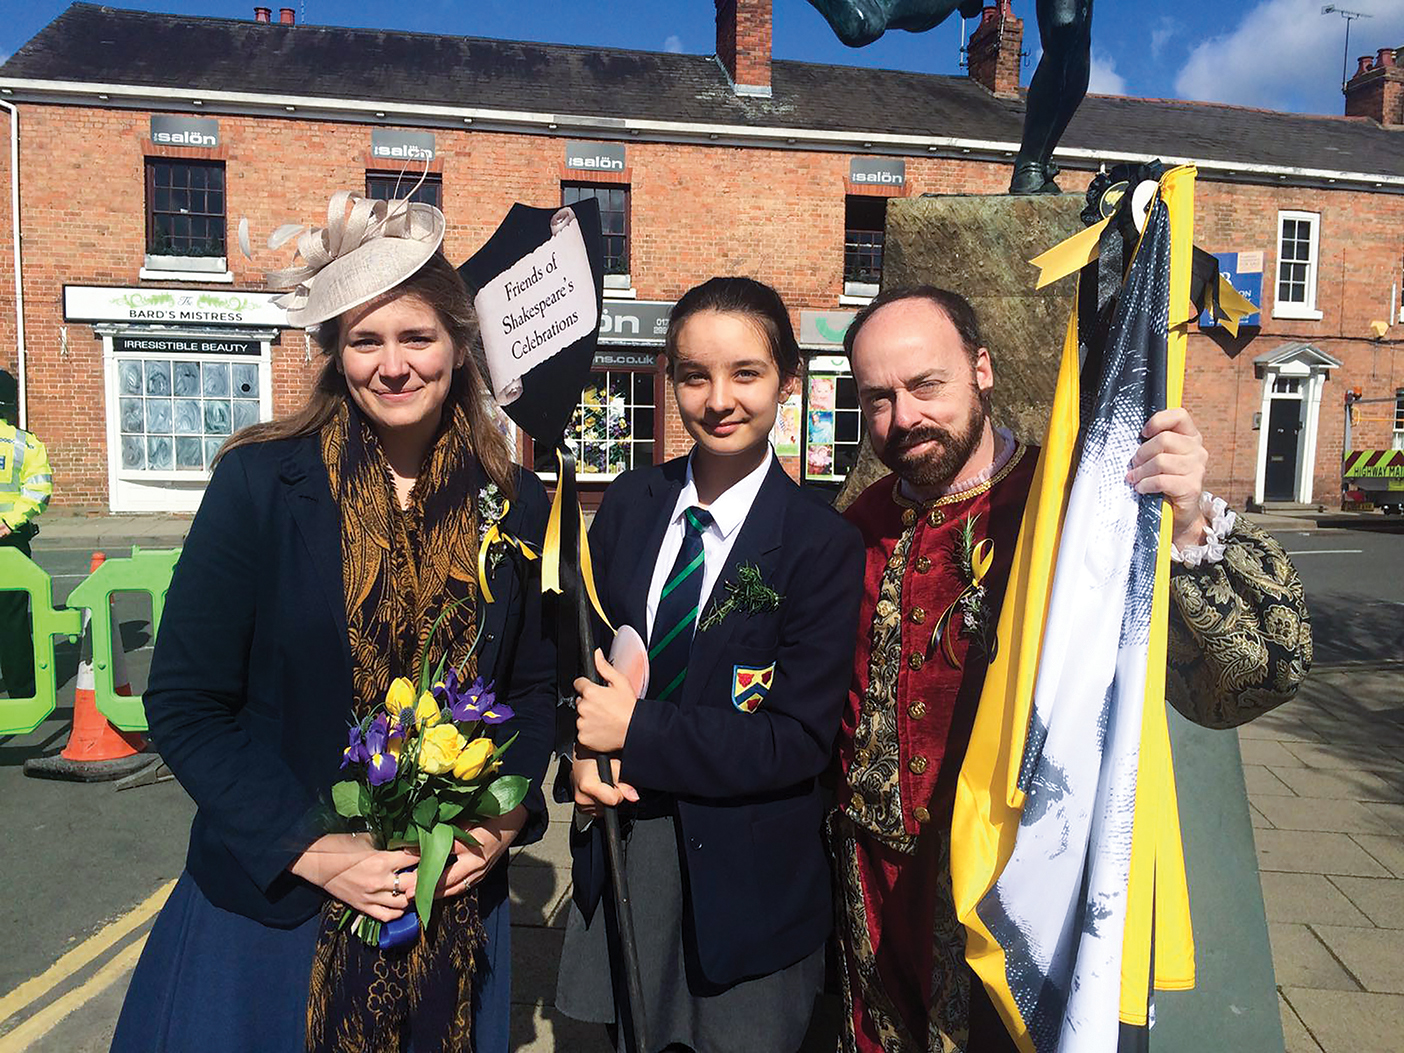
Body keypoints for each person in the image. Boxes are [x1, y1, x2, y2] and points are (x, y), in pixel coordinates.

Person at [111, 191, 556, 1053]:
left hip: (448, 907)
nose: (393, 365)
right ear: (334, 354)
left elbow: (531, 690)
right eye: (365, 340)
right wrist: (310, 847)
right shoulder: (259, 483)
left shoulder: (515, 502)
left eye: (416, 337)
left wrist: (504, 820)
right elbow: (186, 702)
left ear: (459, 345)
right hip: (277, 916)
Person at [831, 285, 1311, 1052]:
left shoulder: (1080, 510)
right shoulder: (856, 528)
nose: (904, 417)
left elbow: (1257, 673)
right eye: (878, 398)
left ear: (981, 368)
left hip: (1018, 900)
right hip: (876, 906)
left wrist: (1185, 519)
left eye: (926, 385)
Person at [555, 277, 866, 1052]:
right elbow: (585, 660)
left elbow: (798, 738)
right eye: (694, 375)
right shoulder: (629, 502)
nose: (718, 398)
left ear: (788, 382)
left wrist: (640, 729)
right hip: (628, 850)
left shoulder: (821, 544)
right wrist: (581, 758)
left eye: (746, 373)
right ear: (672, 381)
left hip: (745, 883)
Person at [0, 369, 51, 699]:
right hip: (10, 540)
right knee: (12, 620)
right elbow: (39, 491)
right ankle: (23, 691)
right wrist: (9, 523)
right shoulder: (26, 443)